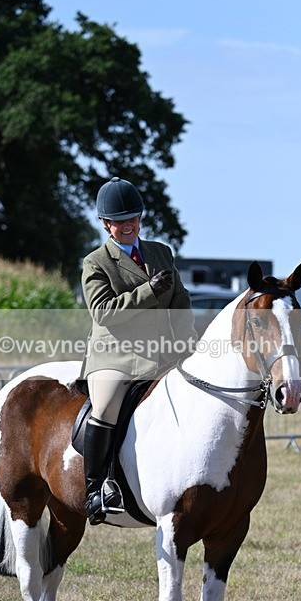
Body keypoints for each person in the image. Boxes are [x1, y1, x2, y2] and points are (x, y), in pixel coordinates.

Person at [80, 176, 197, 526]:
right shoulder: (96, 262)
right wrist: (148, 291)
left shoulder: (161, 252)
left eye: (133, 217)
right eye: (120, 221)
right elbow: (103, 312)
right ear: (106, 224)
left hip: (162, 352)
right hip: (115, 355)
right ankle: (95, 489)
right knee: (106, 405)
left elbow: (180, 301)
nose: (128, 225)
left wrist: (187, 340)